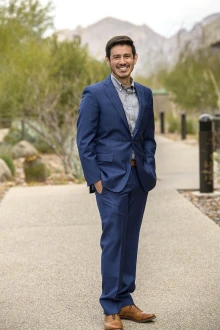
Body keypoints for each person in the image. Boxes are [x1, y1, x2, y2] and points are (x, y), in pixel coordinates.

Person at [77, 36, 157, 330]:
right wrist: (95, 180)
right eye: (116, 57)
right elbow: (84, 141)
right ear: (108, 61)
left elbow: (147, 137)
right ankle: (110, 307)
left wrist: (148, 165)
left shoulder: (146, 94)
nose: (122, 61)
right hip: (109, 181)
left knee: (131, 240)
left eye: (127, 56)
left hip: (138, 179)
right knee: (113, 241)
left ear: (135, 58)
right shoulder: (95, 94)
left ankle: (125, 301)